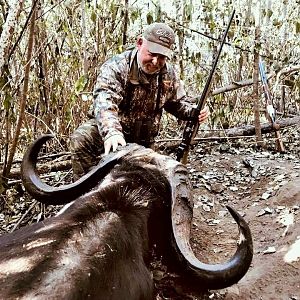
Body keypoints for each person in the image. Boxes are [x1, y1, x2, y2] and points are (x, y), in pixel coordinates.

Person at [70, 22, 209, 181]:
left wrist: (195, 111)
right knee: (82, 138)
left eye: (162, 57)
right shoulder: (117, 66)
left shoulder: (168, 74)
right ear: (140, 43)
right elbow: (104, 100)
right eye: (152, 54)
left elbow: (177, 104)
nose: (155, 62)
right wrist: (112, 132)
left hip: (143, 140)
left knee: (150, 183)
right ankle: (83, 191)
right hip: (114, 134)